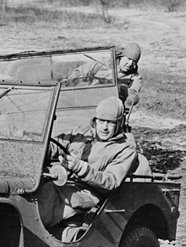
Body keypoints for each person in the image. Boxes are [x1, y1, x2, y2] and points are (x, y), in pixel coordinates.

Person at [36, 96, 137, 229]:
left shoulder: (125, 148)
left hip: (90, 193)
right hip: (64, 183)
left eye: (110, 123)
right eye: (101, 121)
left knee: (49, 193)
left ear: (118, 124)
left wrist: (81, 168)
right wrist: (40, 147)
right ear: (95, 121)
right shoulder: (81, 133)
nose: (104, 127)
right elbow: (57, 144)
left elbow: (110, 181)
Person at [116, 42, 143, 115]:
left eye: (134, 62)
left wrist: (120, 89)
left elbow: (133, 94)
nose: (130, 63)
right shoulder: (105, 65)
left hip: (115, 107)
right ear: (121, 57)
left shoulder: (136, 78)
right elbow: (83, 71)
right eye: (129, 59)